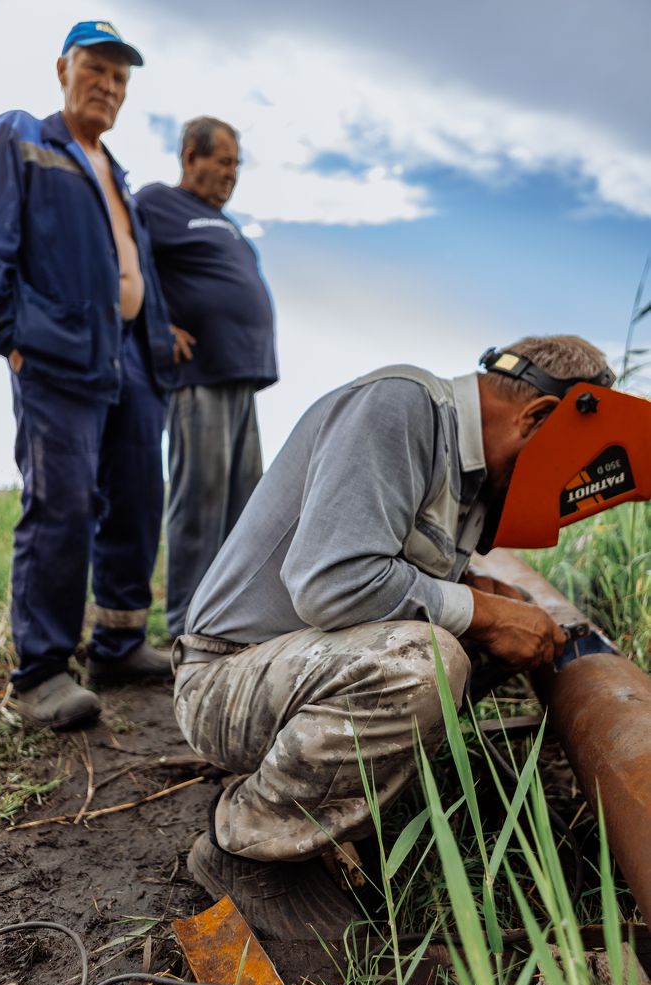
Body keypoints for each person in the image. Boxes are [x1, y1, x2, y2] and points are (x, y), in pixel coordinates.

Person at [170, 334, 614, 940]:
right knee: (425, 660)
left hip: (291, 678)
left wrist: (486, 598)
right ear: (536, 417)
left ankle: (351, 801)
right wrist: (482, 610)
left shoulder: (472, 478)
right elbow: (332, 582)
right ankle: (252, 849)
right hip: (224, 682)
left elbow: (405, 574)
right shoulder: (402, 406)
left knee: (488, 635)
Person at [0, 22, 181, 729]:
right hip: (56, 349)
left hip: (127, 353)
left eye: (121, 78)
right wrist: (10, 334)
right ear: (62, 68)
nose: (109, 85)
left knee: (135, 494)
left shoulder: (114, 170)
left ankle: (120, 641)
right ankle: (38, 678)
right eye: (96, 69)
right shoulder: (22, 139)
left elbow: (131, 268)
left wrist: (158, 344)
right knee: (62, 501)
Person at [136, 117, 278, 638]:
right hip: (198, 374)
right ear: (190, 157)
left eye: (236, 163)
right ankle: (185, 626)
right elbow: (121, 257)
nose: (231, 173)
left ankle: (230, 623)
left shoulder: (227, 223)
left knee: (247, 508)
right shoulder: (156, 202)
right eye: (222, 161)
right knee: (201, 498)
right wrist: (157, 324)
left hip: (242, 375)